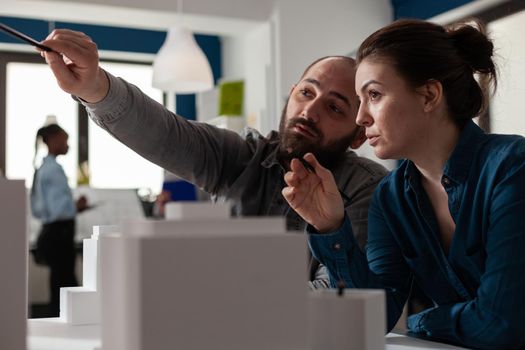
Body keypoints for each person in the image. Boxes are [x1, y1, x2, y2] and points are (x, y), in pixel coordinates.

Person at [38, 30, 387, 289]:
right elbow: (167, 133)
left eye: (334, 107)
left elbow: (344, 300)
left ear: (358, 134)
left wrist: (329, 228)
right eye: (306, 93)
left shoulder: (365, 187)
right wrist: (94, 87)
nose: (310, 111)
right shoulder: (240, 157)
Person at [282, 19, 525, 349]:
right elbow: (372, 317)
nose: (360, 117)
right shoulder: (391, 197)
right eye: (359, 99)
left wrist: (421, 321)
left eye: (374, 95)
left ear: (429, 95)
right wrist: (330, 227)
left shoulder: (512, 167)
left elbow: (501, 324)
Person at [31, 123, 89, 316]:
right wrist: (76, 206)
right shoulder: (53, 170)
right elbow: (59, 210)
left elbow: (42, 208)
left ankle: (61, 316)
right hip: (60, 233)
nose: (68, 145)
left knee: (59, 279)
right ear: (53, 139)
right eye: (65, 140)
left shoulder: (43, 168)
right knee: (64, 280)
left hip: (53, 232)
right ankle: (71, 317)